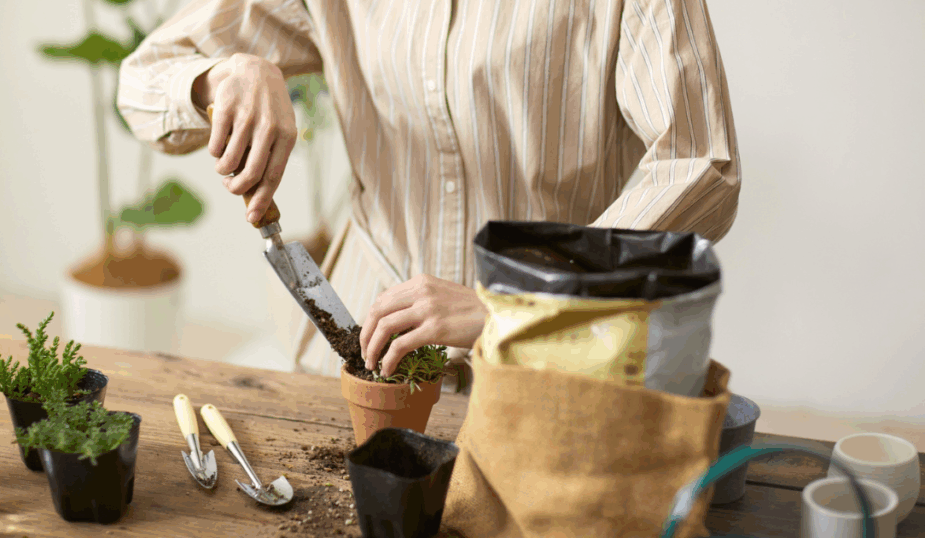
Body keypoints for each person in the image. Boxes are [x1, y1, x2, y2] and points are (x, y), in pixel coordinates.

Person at [117, 0, 741, 390]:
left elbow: (700, 163)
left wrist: (519, 303)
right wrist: (223, 74)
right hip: (358, 346)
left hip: (547, 362)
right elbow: (143, 80)